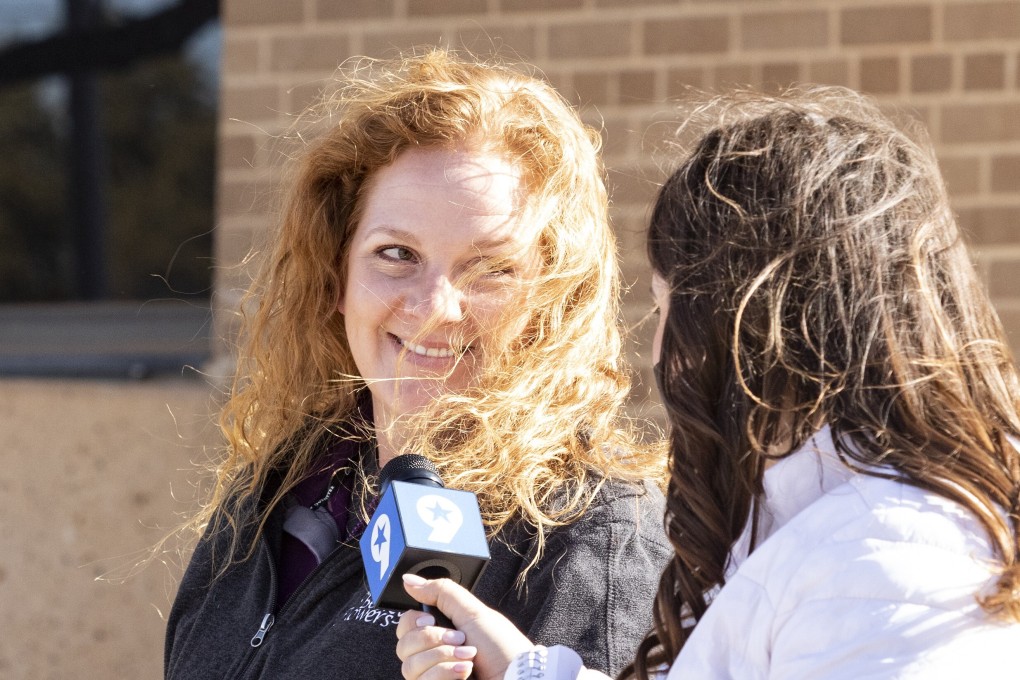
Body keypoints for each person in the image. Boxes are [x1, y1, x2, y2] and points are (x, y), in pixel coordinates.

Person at [395, 85, 1020, 680]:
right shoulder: (822, 523)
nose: (661, 348)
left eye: (669, 308)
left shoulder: (887, 566)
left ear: (751, 321)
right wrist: (524, 670)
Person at [164, 50, 670, 680]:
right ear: (336, 274)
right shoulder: (279, 493)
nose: (435, 308)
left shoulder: (592, 535)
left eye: (490, 268)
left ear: (549, 301)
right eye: (397, 253)